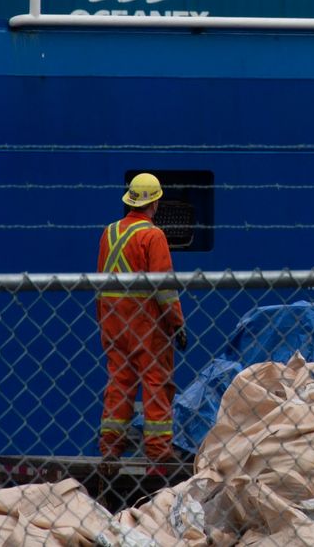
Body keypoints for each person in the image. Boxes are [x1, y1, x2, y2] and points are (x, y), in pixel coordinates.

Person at [97, 172, 187, 470]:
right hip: (146, 323)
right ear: (156, 202)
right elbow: (164, 286)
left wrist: (104, 321)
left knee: (120, 382)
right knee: (156, 382)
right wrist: (177, 323)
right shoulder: (153, 235)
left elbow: (100, 282)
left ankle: (110, 450)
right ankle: (158, 454)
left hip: (112, 320)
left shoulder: (108, 233)